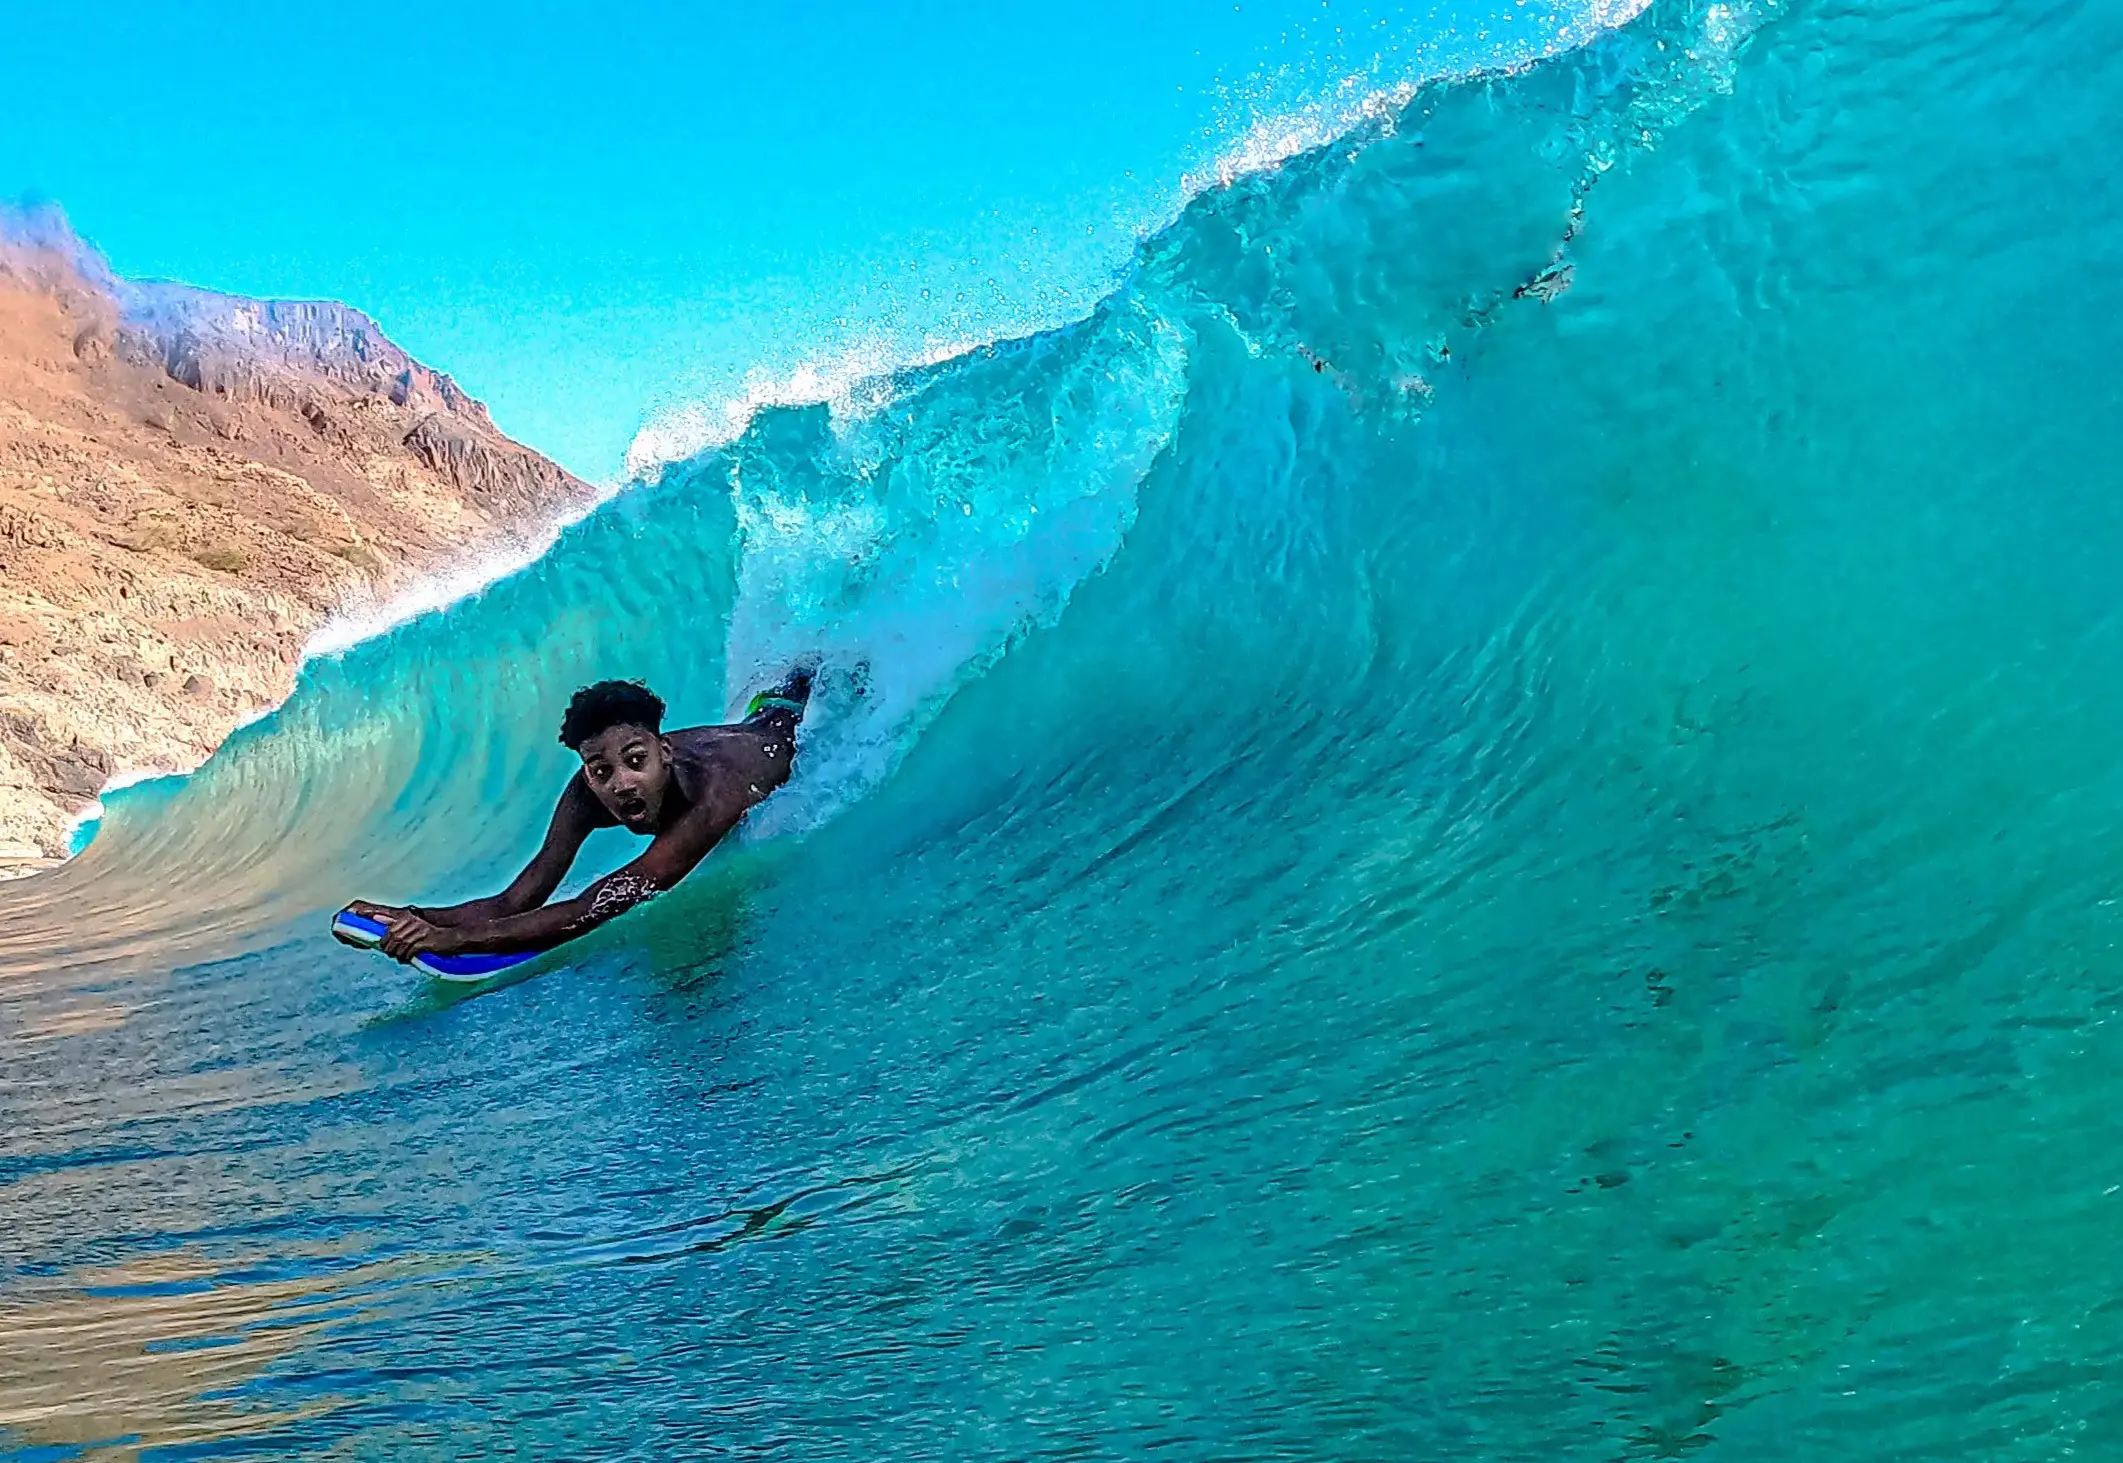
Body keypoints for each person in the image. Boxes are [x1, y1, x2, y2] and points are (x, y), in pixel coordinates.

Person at [345, 670, 810, 964]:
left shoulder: (712, 799)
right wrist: (414, 916)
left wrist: (456, 941)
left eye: (635, 760)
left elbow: (596, 905)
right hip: (758, 712)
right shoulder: (585, 794)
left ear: (663, 753)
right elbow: (517, 899)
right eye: (601, 770)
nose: (620, 783)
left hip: (802, 726)